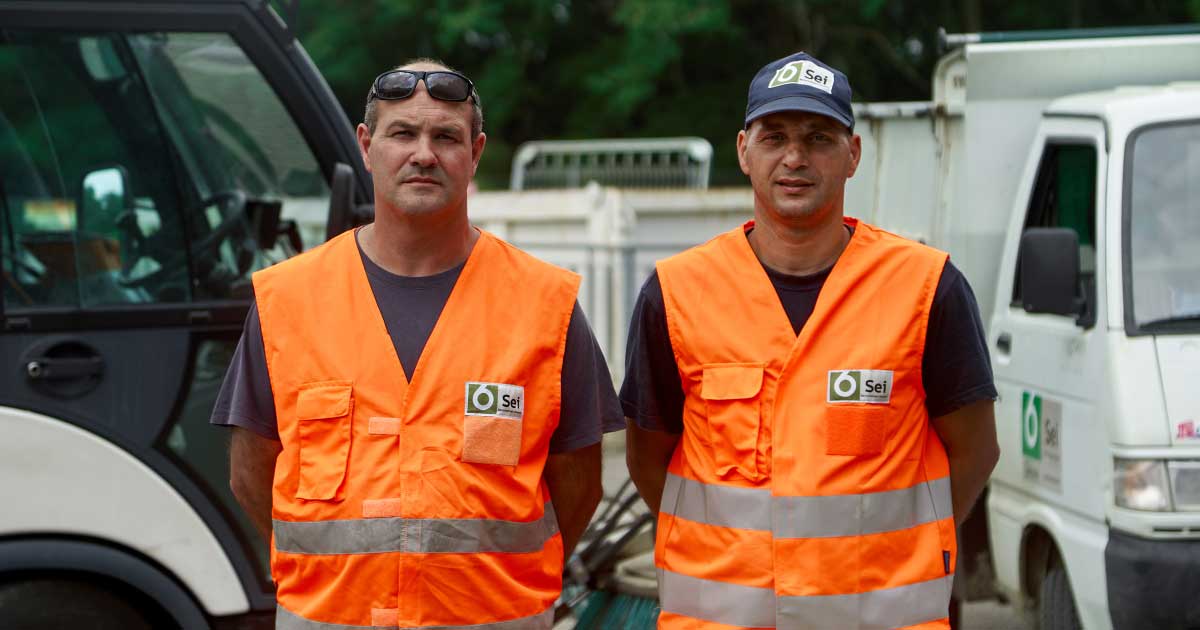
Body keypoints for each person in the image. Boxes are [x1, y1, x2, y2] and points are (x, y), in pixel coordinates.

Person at [211, 58, 624, 629]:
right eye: (403, 132)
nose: (424, 154)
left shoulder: (544, 304)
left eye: (446, 137)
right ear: (366, 144)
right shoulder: (288, 299)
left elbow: (579, 482)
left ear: (475, 152)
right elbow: (250, 472)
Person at [622, 51, 1000, 629]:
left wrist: (903, 549)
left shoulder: (927, 288)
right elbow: (651, 460)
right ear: (744, 151)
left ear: (853, 155)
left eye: (819, 137)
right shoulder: (675, 293)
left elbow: (974, 453)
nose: (794, 158)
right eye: (774, 137)